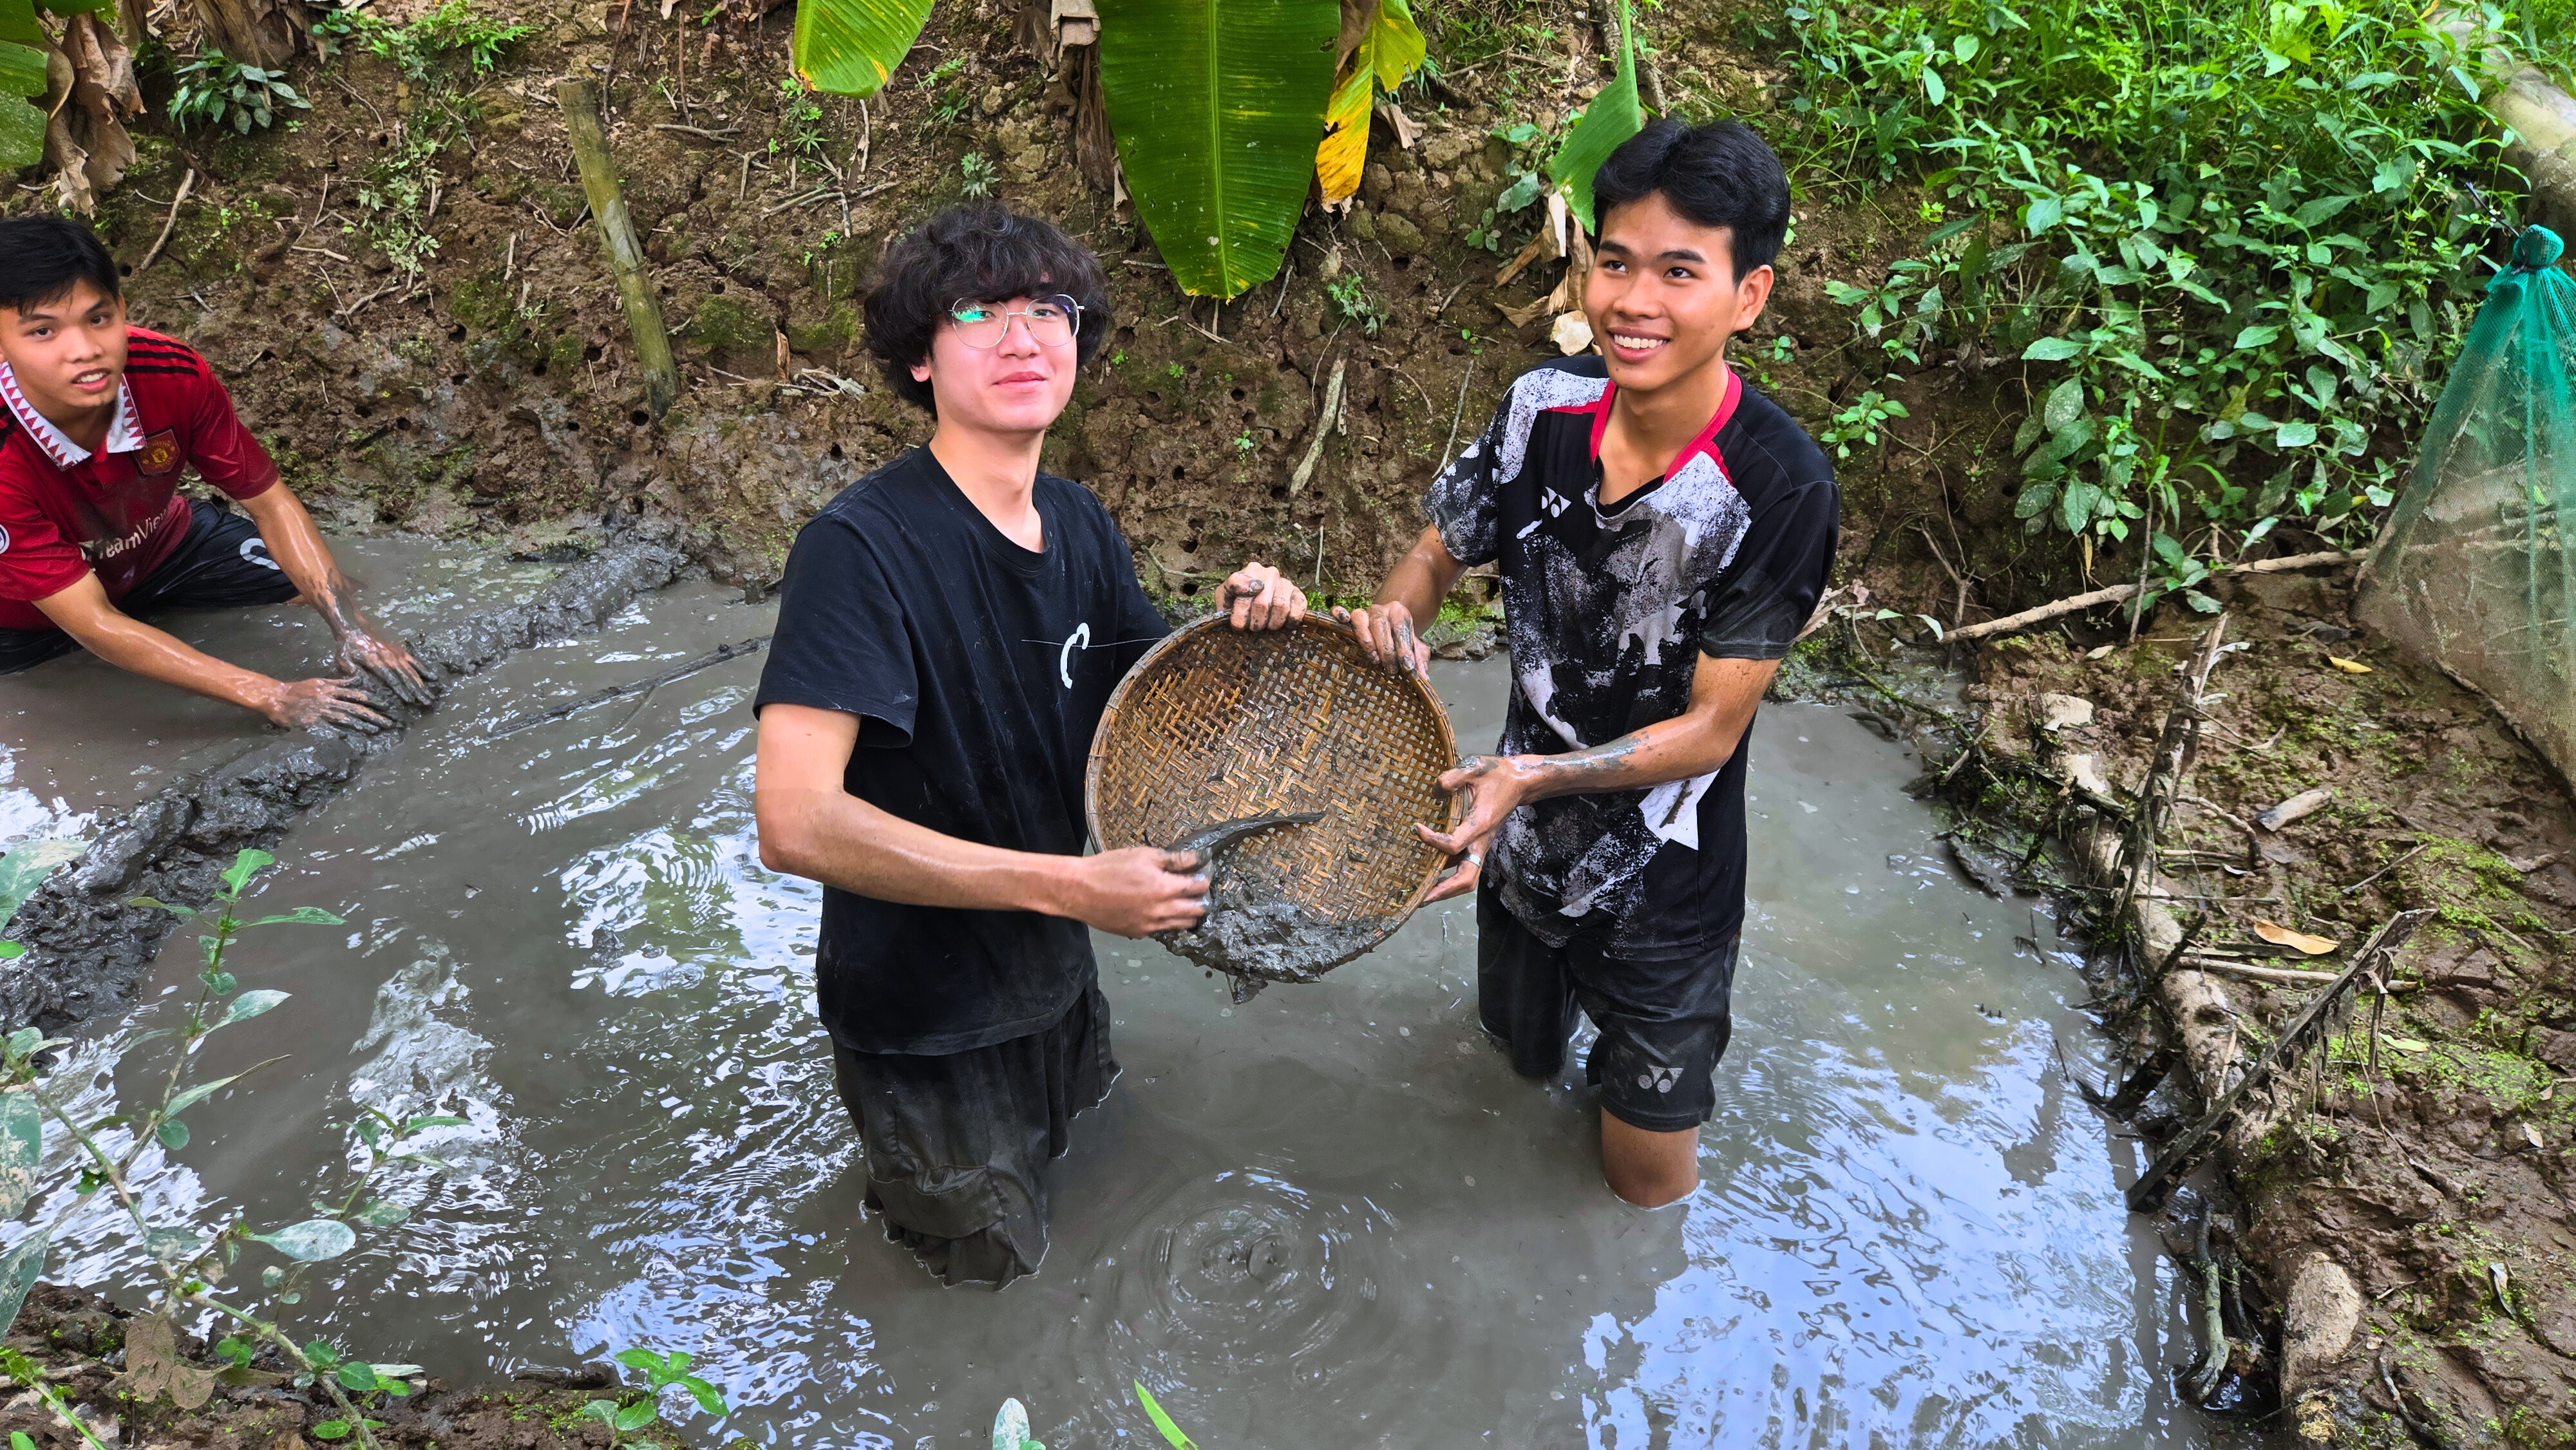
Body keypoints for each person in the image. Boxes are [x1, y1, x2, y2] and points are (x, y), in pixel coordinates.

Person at [751, 204, 1306, 1288]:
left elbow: (1167, 723)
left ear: (1079, 340)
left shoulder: (1081, 523)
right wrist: (1070, 887)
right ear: (919, 357)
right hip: (924, 1031)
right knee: (981, 1290)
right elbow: (793, 819)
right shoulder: (858, 549)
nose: (1021, 338)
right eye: (979, 312)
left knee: (1096, 1199)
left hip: (1058, 986)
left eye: (1047, 310)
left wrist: (1256, 617)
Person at [1340, 120, 1839, 1208]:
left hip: (1664, 890)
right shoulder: (1542, 407)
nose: (1633, 300)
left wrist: (1529, 775)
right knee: (1509, 1077)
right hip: (1515, 855)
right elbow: (1437, 546)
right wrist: (1396, 619)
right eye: (1615, 261)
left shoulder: (1778, 488)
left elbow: (1712, 730)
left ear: (1748, 295)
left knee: (1642, 1186)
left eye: (1678, 271)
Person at [0, 216, 428, 729]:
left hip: (161, 545)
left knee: (345, 595)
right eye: (42, 331)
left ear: (123, 309)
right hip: (28, 616)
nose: (85, 351)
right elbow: (93, 622)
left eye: (99, 319)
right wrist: (269, 694)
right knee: (47, 714)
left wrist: (352, 628)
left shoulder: (173, 373)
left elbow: (270, 502)